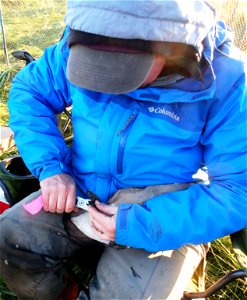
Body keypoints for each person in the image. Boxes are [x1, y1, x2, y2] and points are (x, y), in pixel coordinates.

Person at [0, 0, 246, 299]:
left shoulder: (231, 81)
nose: (106, 83)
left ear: (172, 45)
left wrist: (143, 224)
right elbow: (31, 91)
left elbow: (238, 190)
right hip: (81, 187)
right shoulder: (80, 38)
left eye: (122, 71)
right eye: (93, 69)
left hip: (166, 207)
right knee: (8, 238)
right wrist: (51, 168)